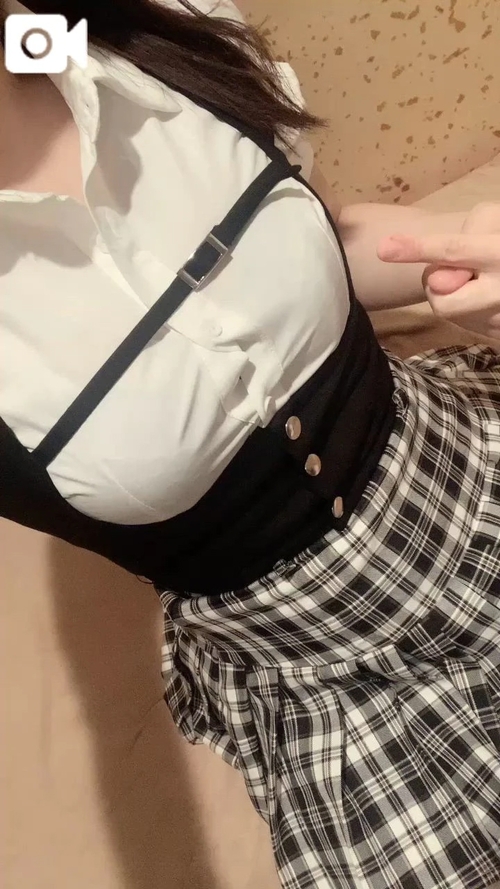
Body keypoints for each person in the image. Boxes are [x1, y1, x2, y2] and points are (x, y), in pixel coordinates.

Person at [1, 1, 499, 888]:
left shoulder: (138, 31)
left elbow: (311, 237)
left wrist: (451, 253)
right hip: (337, 682)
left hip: (467, 462)